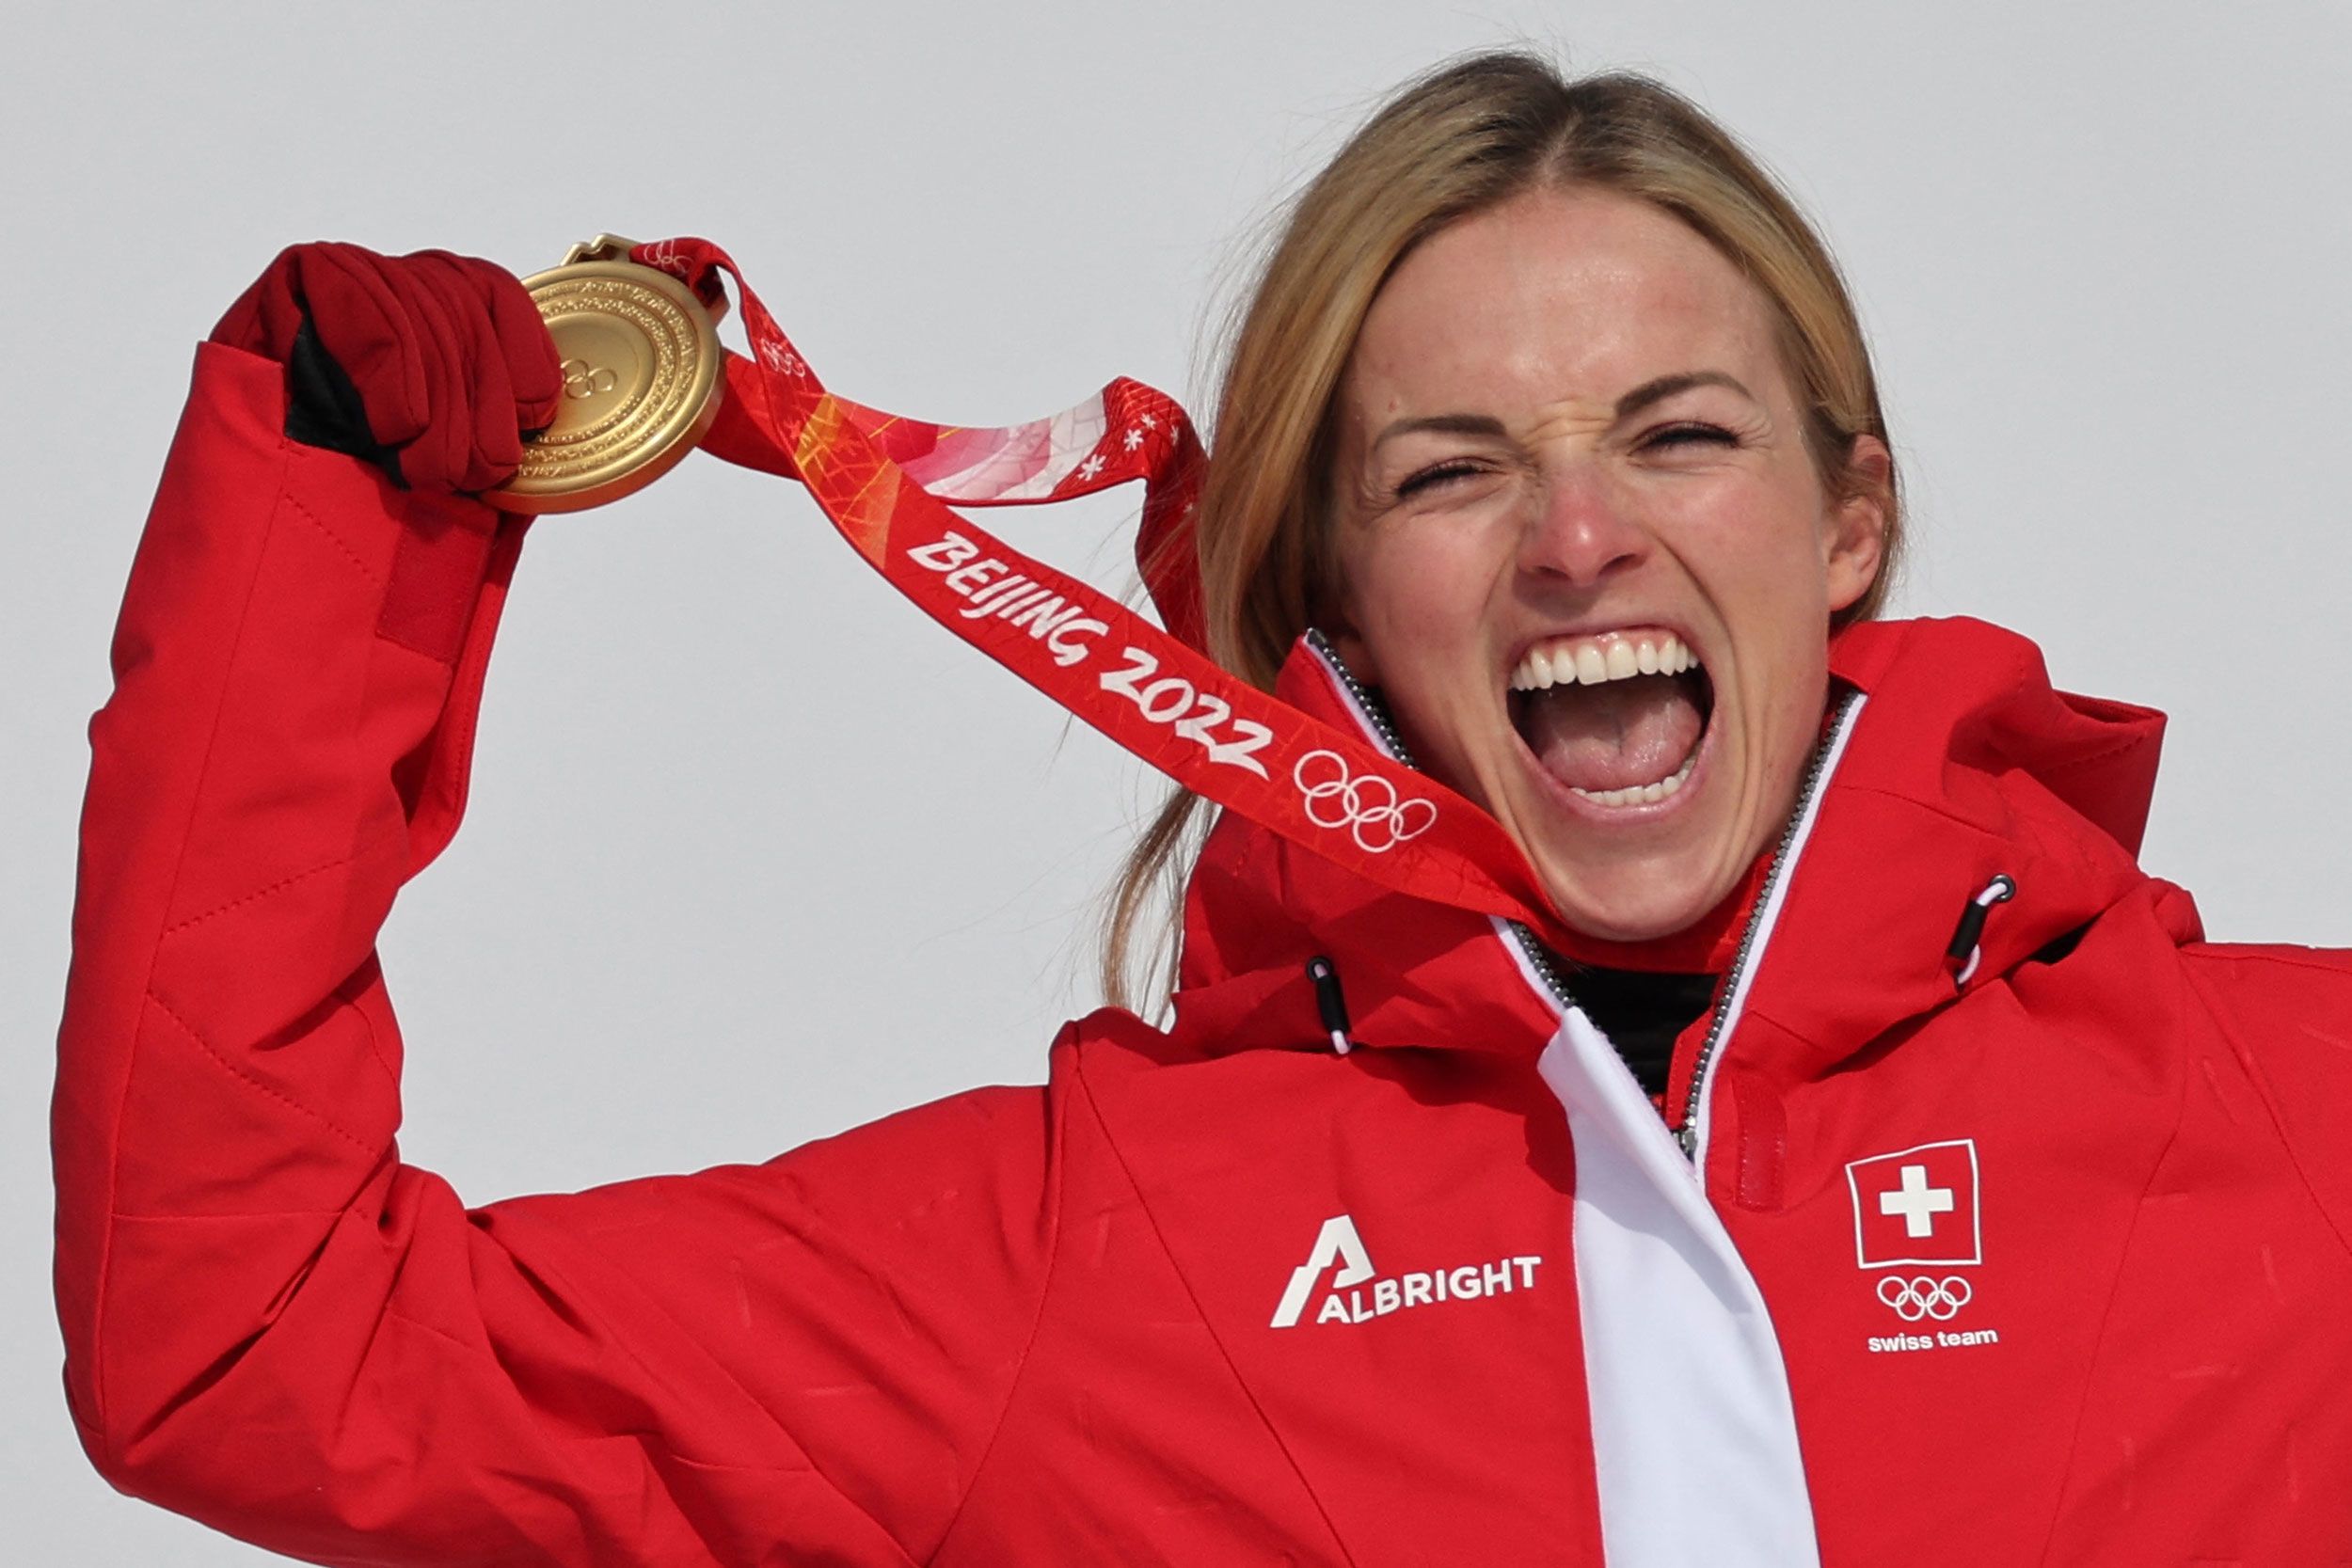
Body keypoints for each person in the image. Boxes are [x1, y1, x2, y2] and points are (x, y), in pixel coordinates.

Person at [50, 49, 2352, 1568]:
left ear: (1845, 525)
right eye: (1450, 470)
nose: (1576, 541)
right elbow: (255, 1348)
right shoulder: (1108, 1252)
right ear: (1330, 587)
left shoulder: (2286, 1128)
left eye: (1677, 434)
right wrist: (329, 536)